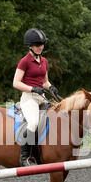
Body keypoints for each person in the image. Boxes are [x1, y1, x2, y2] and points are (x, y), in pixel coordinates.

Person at [13, 28, 58, 166]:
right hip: (29, 97)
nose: (40, 47)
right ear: (30, 46)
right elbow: (16, 83)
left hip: (41, 97)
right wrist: (32, 88)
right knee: (33, 123)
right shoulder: (24, 61)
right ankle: (24, 156)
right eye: (37, 45)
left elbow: (44, 82)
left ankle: (40, 153)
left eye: (42, 44)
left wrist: (50, 87)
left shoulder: (44, 61)